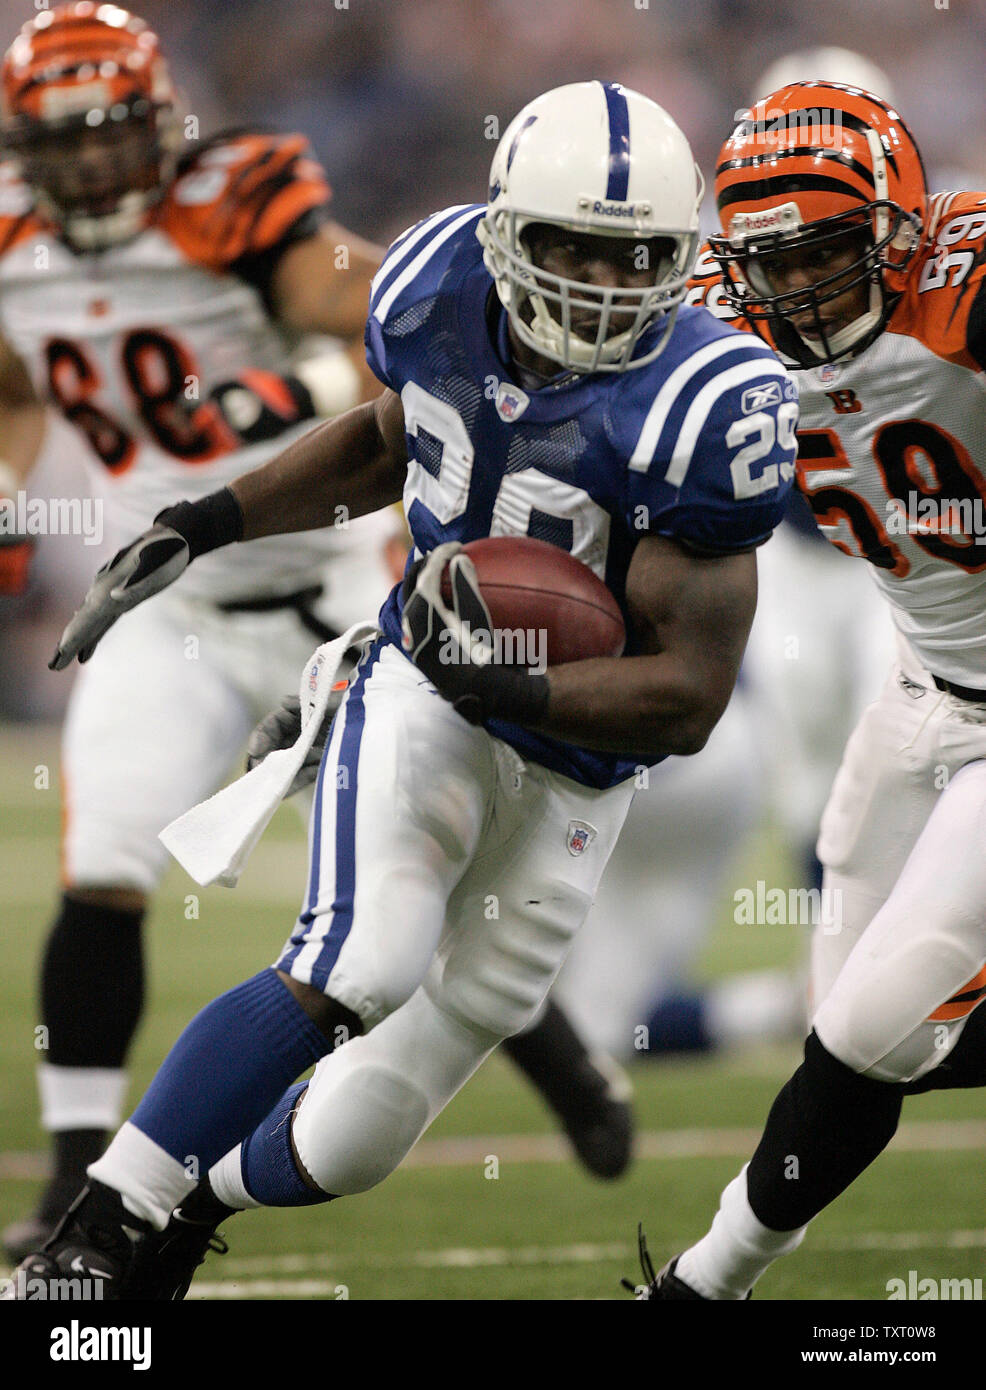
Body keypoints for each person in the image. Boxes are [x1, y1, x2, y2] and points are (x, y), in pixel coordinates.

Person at [8, 78, 797, 1300]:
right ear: (502, 232)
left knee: (359, 1138)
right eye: (570, 247)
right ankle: (96, 1234)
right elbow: (383, 440)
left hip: (576, 757)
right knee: (360, 958)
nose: (598, 281)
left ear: (681, 254)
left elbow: (687, 699)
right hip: (422, 682)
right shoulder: (434, 288)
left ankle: (189, 1210)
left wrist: (515, 686)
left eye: (634, 255)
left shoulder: (707, 403)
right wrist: (203, 520)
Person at [631, 80, 986, 1300]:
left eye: (827, 253)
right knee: (839, 1022)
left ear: (894, 228)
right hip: (918, 685)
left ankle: (697, 1286)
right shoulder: (706, 321)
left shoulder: (964, 285)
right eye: (770, 263)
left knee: (863, 1036)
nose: (800, 290)